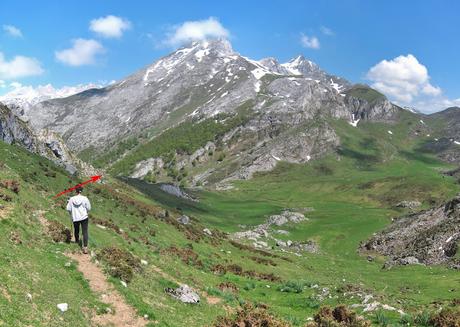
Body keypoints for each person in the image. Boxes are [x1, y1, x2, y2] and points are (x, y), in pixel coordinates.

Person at [66, 186, 91, 254]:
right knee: (85, 231)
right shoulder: (85, 198)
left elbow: (68, 208)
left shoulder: (71, 199)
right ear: (81, 191)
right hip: (84, 217)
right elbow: (89, 208)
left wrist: (69, 204)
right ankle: (85, 247)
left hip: (75, 217)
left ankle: (77, 241)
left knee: (76, 229)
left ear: (75, 191)